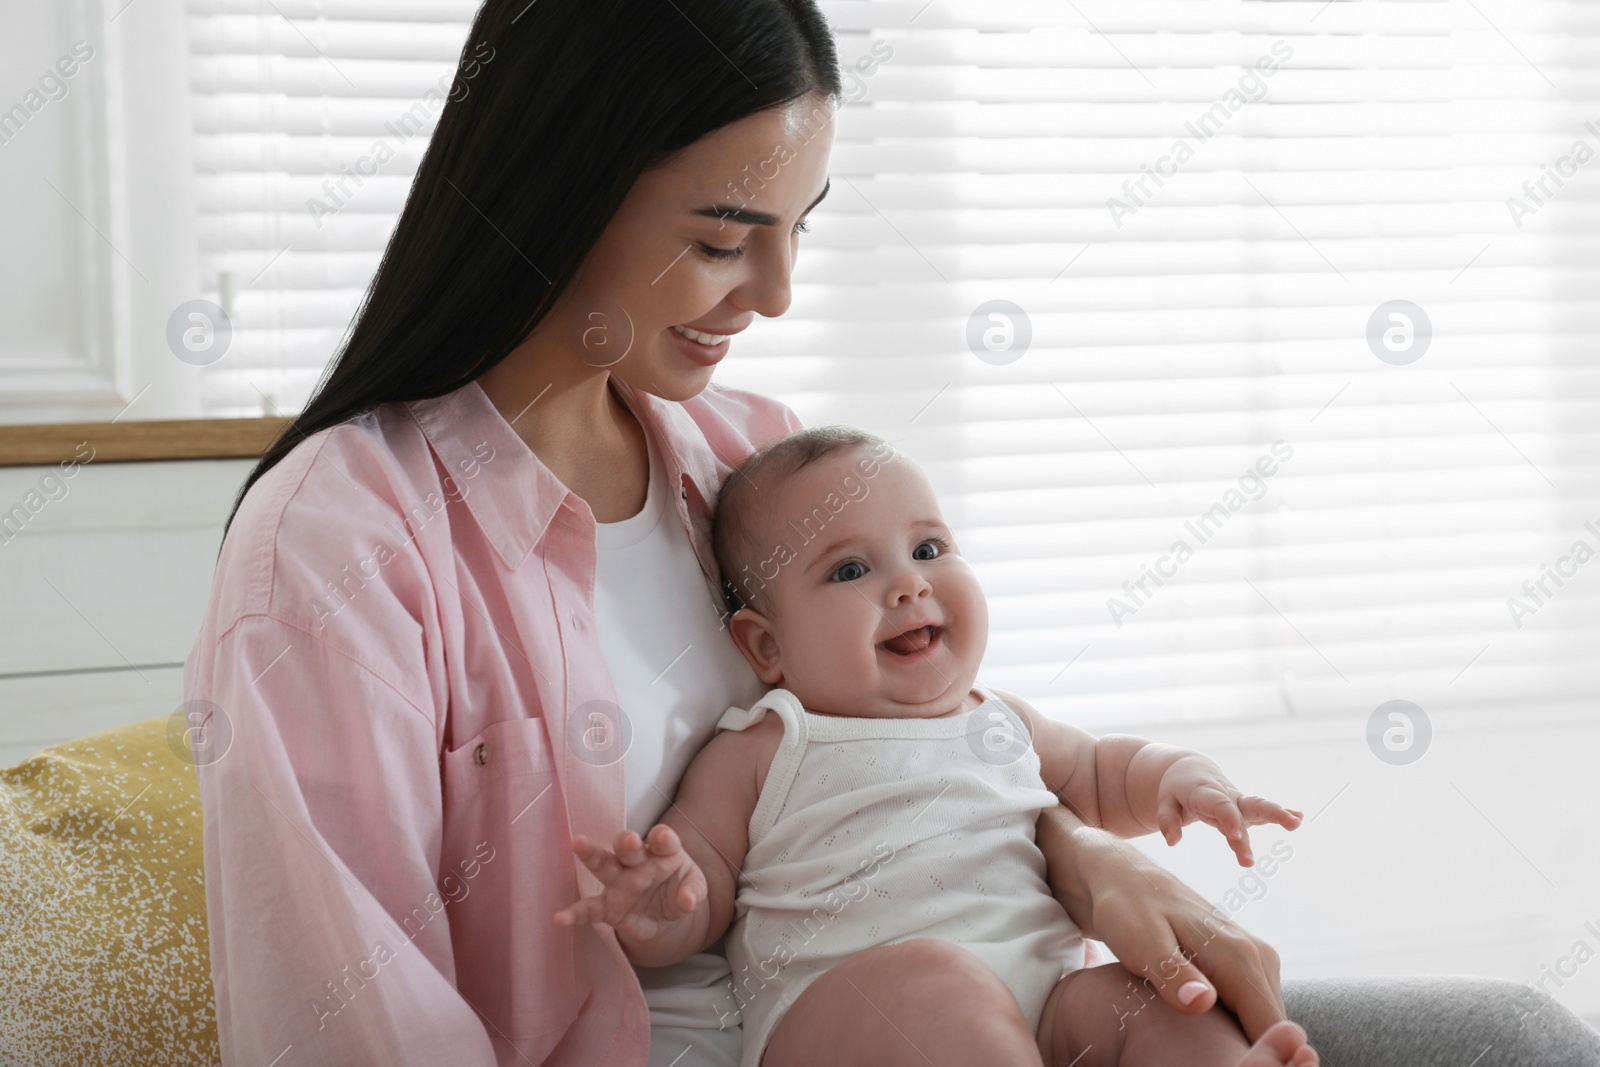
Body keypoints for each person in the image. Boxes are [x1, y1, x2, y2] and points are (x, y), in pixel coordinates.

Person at [184, 0, 1600, 1064]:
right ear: (560, 181)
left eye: (803, 226)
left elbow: (926, 740)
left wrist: (1090, 855)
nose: (778, 293)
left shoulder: (748, 456)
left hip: (990, 995)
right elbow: (346, 1014)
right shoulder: (345, 542)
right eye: (729, 234)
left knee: (1517, 1037)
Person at [552, 425, 1320, 1067]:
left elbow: (1099, 771)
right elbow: (704, 879)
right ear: (766, 647)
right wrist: (661, 908)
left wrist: (1181, 776)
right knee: (939, 978)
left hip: (1046, 1004)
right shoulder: (771, 742)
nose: (908, 586)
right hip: (849, 1019)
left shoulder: (999, 718)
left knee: (1150, 1001)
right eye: (851, 569)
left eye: (928, 548)